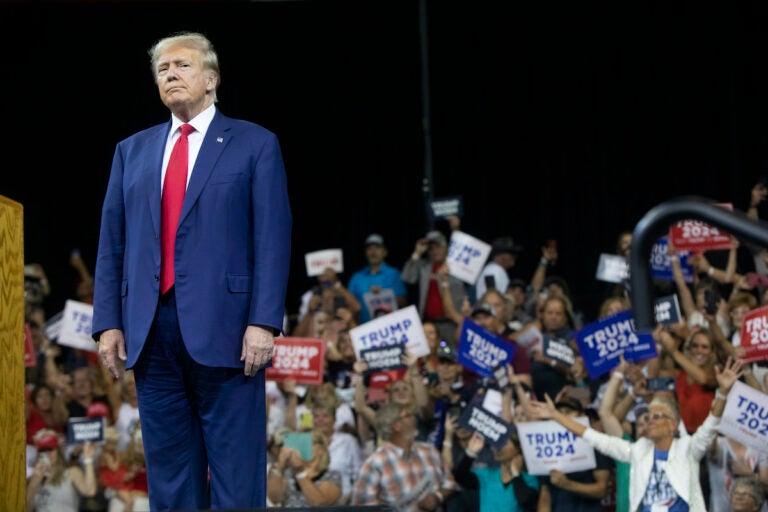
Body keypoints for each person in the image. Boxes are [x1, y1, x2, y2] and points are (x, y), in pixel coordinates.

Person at [91, 31, 292, 510]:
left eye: (182, 65)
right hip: (150, 330)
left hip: (229, 331)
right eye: (162, 69)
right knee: (170, 474)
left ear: (211, 79)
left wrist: (263, 321)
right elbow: (112, 242)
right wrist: (108, 322)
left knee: (236, 474)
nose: (171, 75)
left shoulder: (254, 144)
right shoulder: (131, 151)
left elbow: (272, 238)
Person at [529, 357, 744, 512]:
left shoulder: (688, 449)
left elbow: (711, 424)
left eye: (657, 416)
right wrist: (556, 416)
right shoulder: (637, 450)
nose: (650, 420)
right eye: (648, 417)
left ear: (673, 425)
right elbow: (593, 436)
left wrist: (723, 391)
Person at [352, 402, 457, 511]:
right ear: (396, 426)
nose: (414, 419)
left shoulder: (429, 451)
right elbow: (362, 508)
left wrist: (437, 497)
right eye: (408, 416)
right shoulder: (375, 464)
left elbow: (449, 483)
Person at [266, 429, 343, 507]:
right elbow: (274, 498)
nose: (301, 448)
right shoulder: (288, 474)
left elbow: (319, 503)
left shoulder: (332, 475)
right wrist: (280, 467)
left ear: (321, 449)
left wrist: (300, 473)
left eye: (306, 443)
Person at [347, 233, 408, 323]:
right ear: (365, 253)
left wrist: (383, 295)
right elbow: (349, 304)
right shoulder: (357, 277)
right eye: (369, 248)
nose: (373, 252)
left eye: (377, 248)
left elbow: (403, 302)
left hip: (389, 326)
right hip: (364, 328)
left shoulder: (394, 274)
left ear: (385, 252)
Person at [474, 235, 524, 300]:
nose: (514, 256)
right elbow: (491, 298)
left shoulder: (496, 270)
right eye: (511, 253)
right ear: (500, 255)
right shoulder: (492, 271)